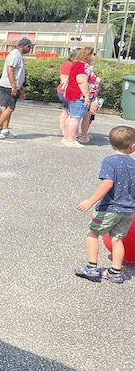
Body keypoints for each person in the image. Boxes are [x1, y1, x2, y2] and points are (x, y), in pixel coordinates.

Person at [75, 125, 135, 284]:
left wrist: (90, 201)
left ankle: (91, 268)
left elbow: (107, 183)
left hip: (109, 208)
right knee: (117, 239)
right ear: (132, 147)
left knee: (92, 233)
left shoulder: (109, 161)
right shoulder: (133, 164)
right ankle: (115, 272)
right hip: (128, 210)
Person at [0, 37, 33, 139]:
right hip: (8, 86)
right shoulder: (15, 55)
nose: (30, 49)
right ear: (25, 46)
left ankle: (5, 130)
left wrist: (21, 88)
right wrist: (13, 86)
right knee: (10, 108)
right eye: (29, 47)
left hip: (11, 85)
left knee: (8, 108)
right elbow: (10, 69)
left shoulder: (18, 55)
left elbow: (19, 74)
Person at [61, 46, 94, 148]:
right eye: (93, 54)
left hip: (72, 94)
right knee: (75, 118)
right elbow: (81, 81)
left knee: (71, 116)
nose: (94, 56)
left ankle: (67, 138)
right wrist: (87, 96)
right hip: (78, 95)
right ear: (87, 55)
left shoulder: (76, 64)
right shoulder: (83, 66)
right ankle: (70, 140)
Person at [57, 49, 79, 137]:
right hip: (65, 92)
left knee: (66, 110)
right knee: (70, 112)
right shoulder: (68, 65)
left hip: (67, 91)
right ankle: (65, 130)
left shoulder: (70, 64)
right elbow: (64, 78)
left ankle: (64, 130)